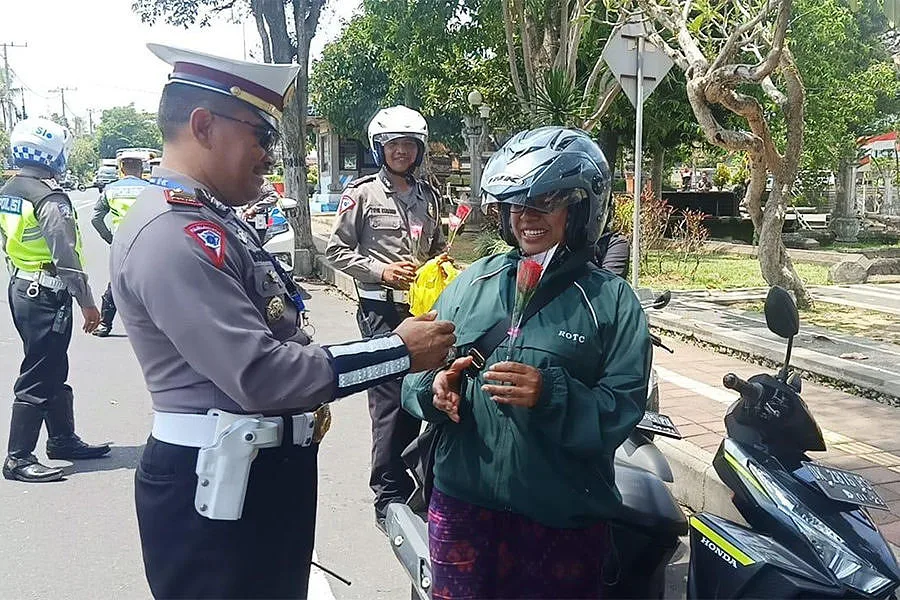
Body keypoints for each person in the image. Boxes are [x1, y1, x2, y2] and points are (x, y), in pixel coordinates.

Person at [110, 44, 456, 599]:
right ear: (203, 125)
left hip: (253, 475)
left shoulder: (214, 217)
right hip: (217, 488)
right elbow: (261, 373)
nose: (271, 154)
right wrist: (397, 351)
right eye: (262, 136)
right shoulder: (171, 233)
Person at [402, 126, 651, 599]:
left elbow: (621, 407)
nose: (526, 218)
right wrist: (435, 389)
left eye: (544, 203)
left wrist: (551, 393)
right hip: (463, 508)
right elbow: (413, 376)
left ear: (579, 210)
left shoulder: (610, 301)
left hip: (560, 519)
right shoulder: (471, 283)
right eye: (516, 204)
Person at [325, 105, 446, 532]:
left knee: (428, 395)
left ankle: (422, 481)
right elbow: (335, 251)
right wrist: (382, 271)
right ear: (380, 148)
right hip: (381, 309)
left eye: (409, 145)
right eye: (394, 144)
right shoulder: (361, 194)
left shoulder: (429, 196)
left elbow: (437, 248)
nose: (402, 151)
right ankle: (389, 494)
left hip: (422, 309)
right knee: (390, 404)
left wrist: (441, 267)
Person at [0, 118, 110, 483]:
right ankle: (18, 458)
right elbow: (65, 256)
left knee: (51, 364)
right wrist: (88, 302)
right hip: (45, 291)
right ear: (52, 154)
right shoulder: (47, 197)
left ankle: (61, 439)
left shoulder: (10, 190)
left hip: (23, 286)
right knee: (40, 371)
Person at [90, 152, 151, 337]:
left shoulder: (110, 190)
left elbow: (96, 219)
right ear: (141, 170)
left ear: (121, 169)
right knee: (152, 282)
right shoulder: (151, 189)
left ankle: (104, 325)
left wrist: (110, 238)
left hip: (121, 244)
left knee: (116, 283)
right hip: (148, 243)